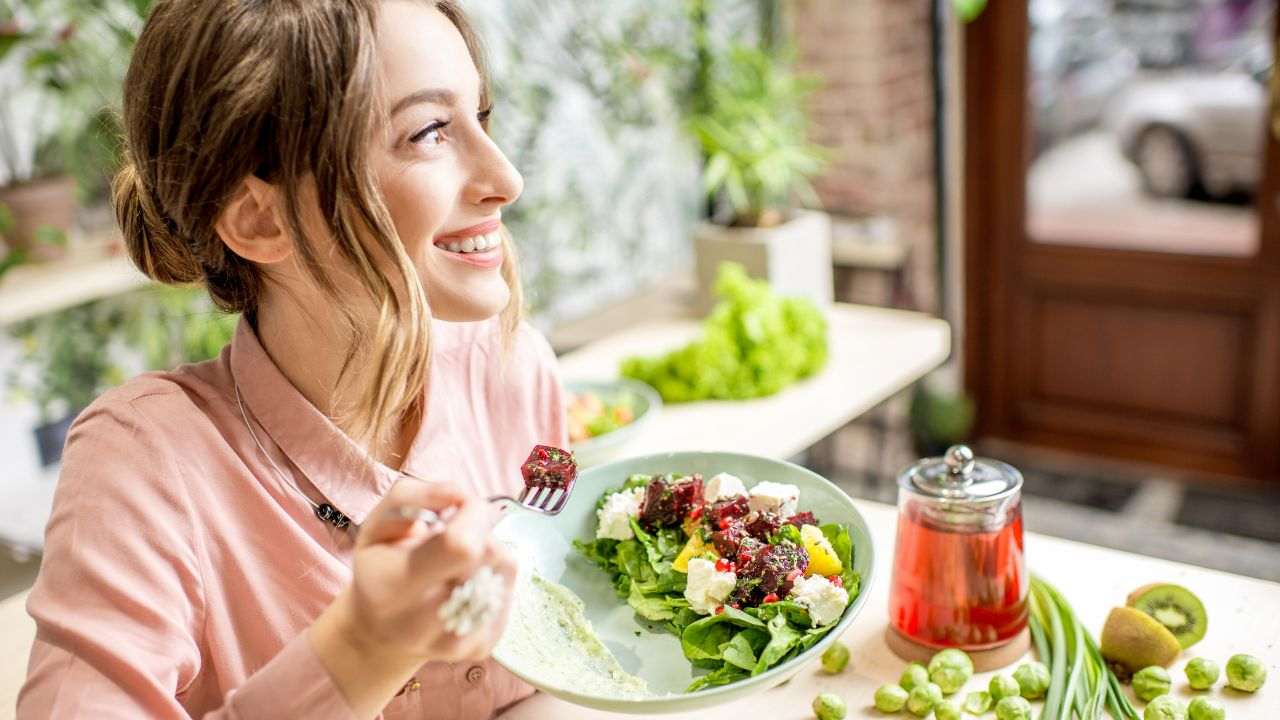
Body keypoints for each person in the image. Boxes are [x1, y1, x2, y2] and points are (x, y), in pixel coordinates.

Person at [17, 1, 566, 718]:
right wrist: (363, 650)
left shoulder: (515, 370)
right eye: (430, 131)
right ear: (259, 219)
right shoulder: (144, 465)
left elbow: (560, 628)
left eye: (481, 118)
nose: (506, 177)